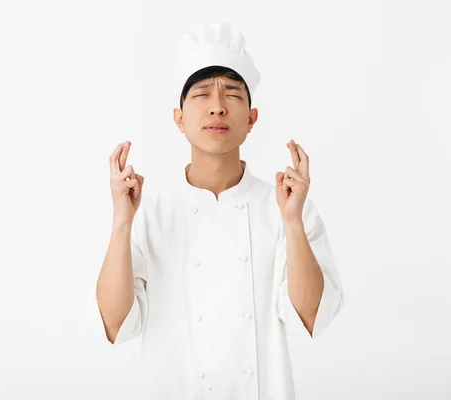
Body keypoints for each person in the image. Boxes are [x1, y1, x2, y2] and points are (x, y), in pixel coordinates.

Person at [92, 21, 344, 399]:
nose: (217, 106)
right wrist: (120, 224)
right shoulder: (149, 213)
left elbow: (310, 317)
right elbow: (115, 326)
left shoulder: (286, 208)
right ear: (179, 119)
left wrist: (291, 222)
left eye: (231, 93)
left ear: (251, 119)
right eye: (201, 94)